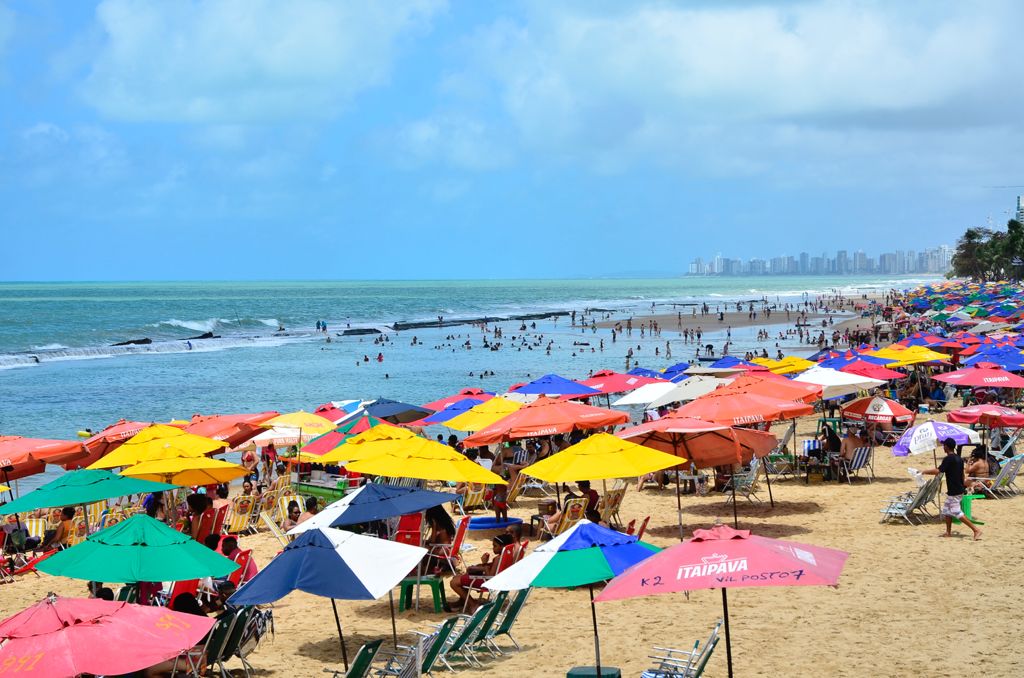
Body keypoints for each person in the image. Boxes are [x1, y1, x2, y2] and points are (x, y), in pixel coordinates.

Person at [923, 438, 982, 540]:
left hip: (955, 490)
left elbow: (938, 471)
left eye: (944, 445)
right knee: (946, 511)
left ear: (946, 446)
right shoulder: (959, 458)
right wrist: (968, 484)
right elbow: (962, 475)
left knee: (956, 512)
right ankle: (948, 532)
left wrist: (924, 471)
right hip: (957, 488)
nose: (943, 447)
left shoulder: (948, 459)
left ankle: (976, 530)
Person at [448, 533, 515, 612]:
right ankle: (463, 601)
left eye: (495, 546)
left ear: (502, 547)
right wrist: (484, 564)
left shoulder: (498, 559)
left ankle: (472, 604)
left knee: (454, 582)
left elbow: (490, 576)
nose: (493, 548)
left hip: (488, 583)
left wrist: (484, 567)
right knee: (457, 577)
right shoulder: (507, 556)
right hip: (499, 582)